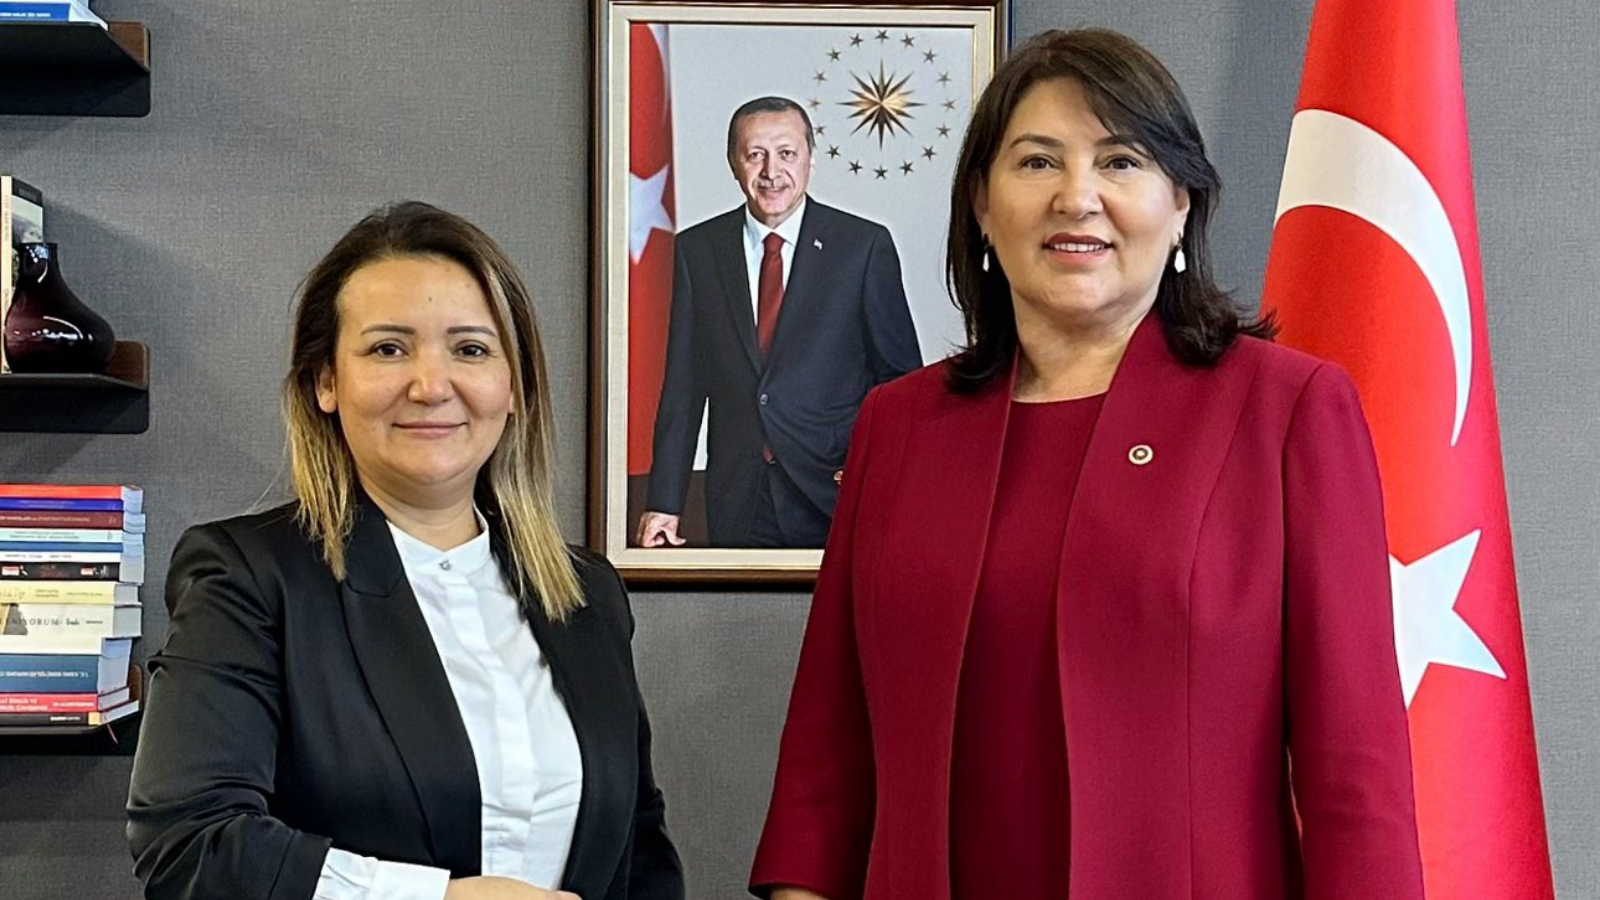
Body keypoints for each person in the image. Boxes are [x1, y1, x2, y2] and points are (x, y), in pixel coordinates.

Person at [750, 29, 1425, 900]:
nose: (1077, 197)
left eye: (1120, 161)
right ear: (982, 205)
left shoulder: (1288, 411)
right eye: (1037, 162)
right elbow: (826, 760)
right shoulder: (898, 425)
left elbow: (1355, 778)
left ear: (1180, 203)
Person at [127, 202, 684, 900]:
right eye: (388, 349)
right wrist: (438, 899)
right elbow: (191, 843)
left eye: (471, 350)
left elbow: (639, 846)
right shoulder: (249, 579)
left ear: (515, 386)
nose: (431, 386)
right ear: (325, 381)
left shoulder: (585, 591)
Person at [637, 96, 922, 550]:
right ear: (734, 163)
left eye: (786, 153)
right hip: (739, 498)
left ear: (811, 159)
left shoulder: (863, 247)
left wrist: (883, 479)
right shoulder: (697, 251)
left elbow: (900, 385)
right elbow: (683, 389)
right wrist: (664, 503)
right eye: (755, 155)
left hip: (838, 492)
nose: (772, 171)